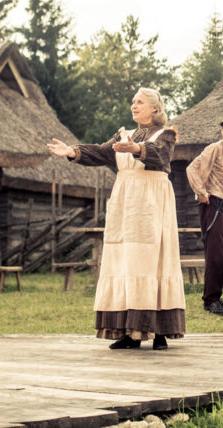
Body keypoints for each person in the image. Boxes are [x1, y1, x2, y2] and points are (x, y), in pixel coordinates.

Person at [47, 87, 184, 351]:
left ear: (154, 108)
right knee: (125, 260)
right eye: (133, 101)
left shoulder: (165, 134)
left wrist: (136, 148)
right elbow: (101, 152)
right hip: (125, 201)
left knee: (152, 259)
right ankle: (130, 332)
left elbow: (159, 155)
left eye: (140, 102)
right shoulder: (124, 135)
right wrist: (72, 152)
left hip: (151, 201)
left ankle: (159, 331)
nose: (134, 105)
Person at [186, 114, 223, 316]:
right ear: (222, 131)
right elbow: (191, 169)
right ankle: (210, 301)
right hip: (213, 204)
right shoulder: (213, 148)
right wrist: (201, 192)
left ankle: (216, 296)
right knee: (215, 254)